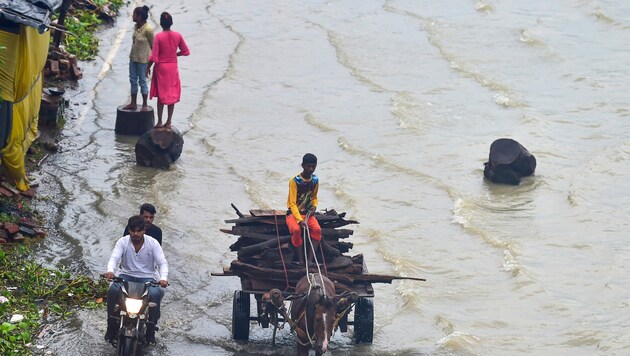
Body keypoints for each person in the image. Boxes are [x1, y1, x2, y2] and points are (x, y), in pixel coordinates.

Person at [104, 215, 168, 345]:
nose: (136, 234)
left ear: (144, 230)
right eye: (133, 230)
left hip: (148, 277)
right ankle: (111, 325)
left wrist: (163, 278)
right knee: (112, 291)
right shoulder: (122, 242)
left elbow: (162, 263)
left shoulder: (153, 243)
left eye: (139, 230)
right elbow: (114, 258)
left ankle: (151, 330)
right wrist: (110, 270)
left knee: (156, 294)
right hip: (125, 275)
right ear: (129, 230)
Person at [146, 11, 190, 129]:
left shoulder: (159, 37)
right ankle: (169, 122)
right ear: (171, 23)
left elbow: (154, 57)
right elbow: (186, 52)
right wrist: (175, 54)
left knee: (161, 96)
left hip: (161, 68)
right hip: (173, 68)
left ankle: (160, 121)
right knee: (172, 95)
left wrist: (147, 67)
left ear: (161, 23)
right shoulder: (178, 35)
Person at [286, 153, 322, 265]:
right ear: (302, 165)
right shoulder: (294, 181)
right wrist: (299, 220)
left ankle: (310, 260)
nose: (311, 169)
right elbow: (292, 204)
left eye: (313, 166)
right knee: (297, 230)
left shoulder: (315, 180)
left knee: (317, 230)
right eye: (308, 166)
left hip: (308, 214)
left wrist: (314, 206)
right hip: (293, 214)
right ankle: (301, 260)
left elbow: (314, 197)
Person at [122, 6, 154, 112]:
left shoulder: (148, 29)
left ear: (139, 16)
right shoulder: (136, 27)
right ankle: (133, 102)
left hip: (143, 60)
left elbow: (154, 46)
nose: (133, 16)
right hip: (133, 58)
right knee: (132, 80)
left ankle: (145, 104)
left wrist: (150, 64)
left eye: (134, 14)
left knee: (142, 81)